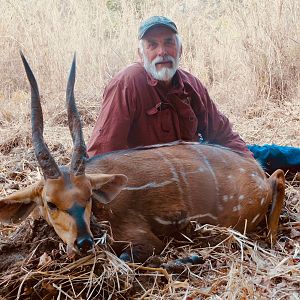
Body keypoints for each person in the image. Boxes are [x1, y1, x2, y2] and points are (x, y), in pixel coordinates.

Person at [87, 16, 300, 174]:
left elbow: (222, 134)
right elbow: (100, 155)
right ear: (141, 54)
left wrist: (251, 166)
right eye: (153, 45)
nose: (162, 51)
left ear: (180, 50)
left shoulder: (192, 84)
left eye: (169, 43)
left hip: (197, 161)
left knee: (266, 155)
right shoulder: (127, 83)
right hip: (154, 175)